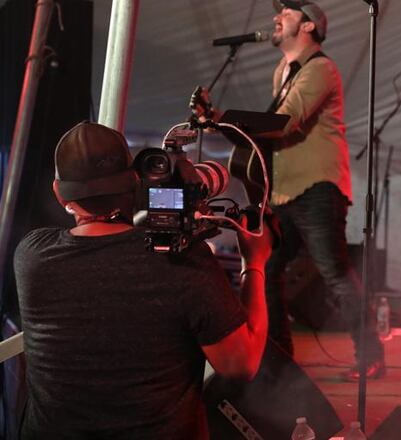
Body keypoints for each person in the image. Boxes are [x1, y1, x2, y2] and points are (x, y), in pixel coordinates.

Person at [14, 122, 272, 439]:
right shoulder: (182, 260)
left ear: (58, 192)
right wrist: (255, 263)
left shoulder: (31, 256)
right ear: (136, 180)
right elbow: (242, 364)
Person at [265, 0, 384, 380]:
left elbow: (284, 123)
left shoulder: (321, 68)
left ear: (308, 26)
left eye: (287, 13)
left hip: (317, 186)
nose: (277, 17)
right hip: (284, 189)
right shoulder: (283, 70)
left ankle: (370, 356)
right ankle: (280, 357)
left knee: (334, 273)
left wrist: (226, 121)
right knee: (267, 268)